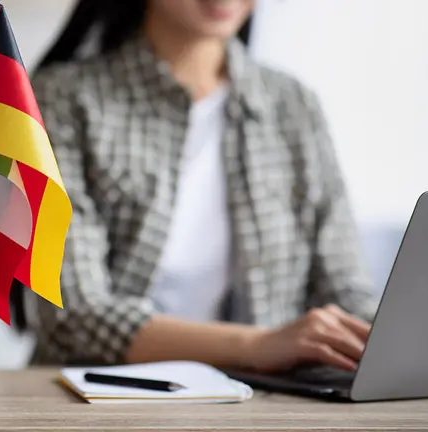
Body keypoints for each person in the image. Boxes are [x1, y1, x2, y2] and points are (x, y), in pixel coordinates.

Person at [20, 0, 381, 372]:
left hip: (265, 405)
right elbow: (74, 313)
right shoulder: (64, 98)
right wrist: (259, 345)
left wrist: (386, 341)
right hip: (94, 397)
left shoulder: (294, 105)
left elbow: (346, 290)